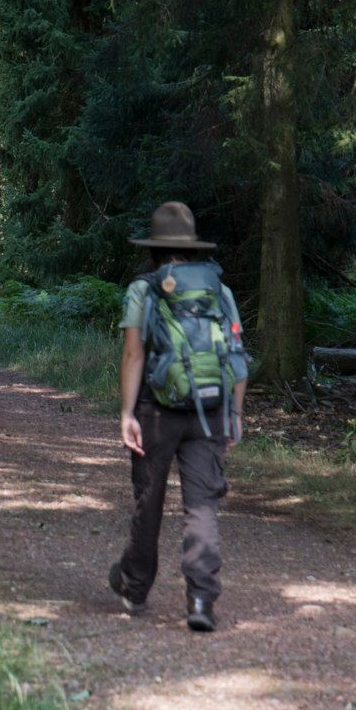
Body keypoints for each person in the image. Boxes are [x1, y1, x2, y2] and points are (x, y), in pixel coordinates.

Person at [107, 202, 249, 632]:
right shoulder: (219, 291)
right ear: (191, 247)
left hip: (156, 410)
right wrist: (235, 415)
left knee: (148, 501)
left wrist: (127, 412)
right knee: (202, 506)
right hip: (208, 412)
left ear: (154, 248)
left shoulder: (144, 290)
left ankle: (134, 586)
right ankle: (202, 601)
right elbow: (237, 357)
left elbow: (134, 354)